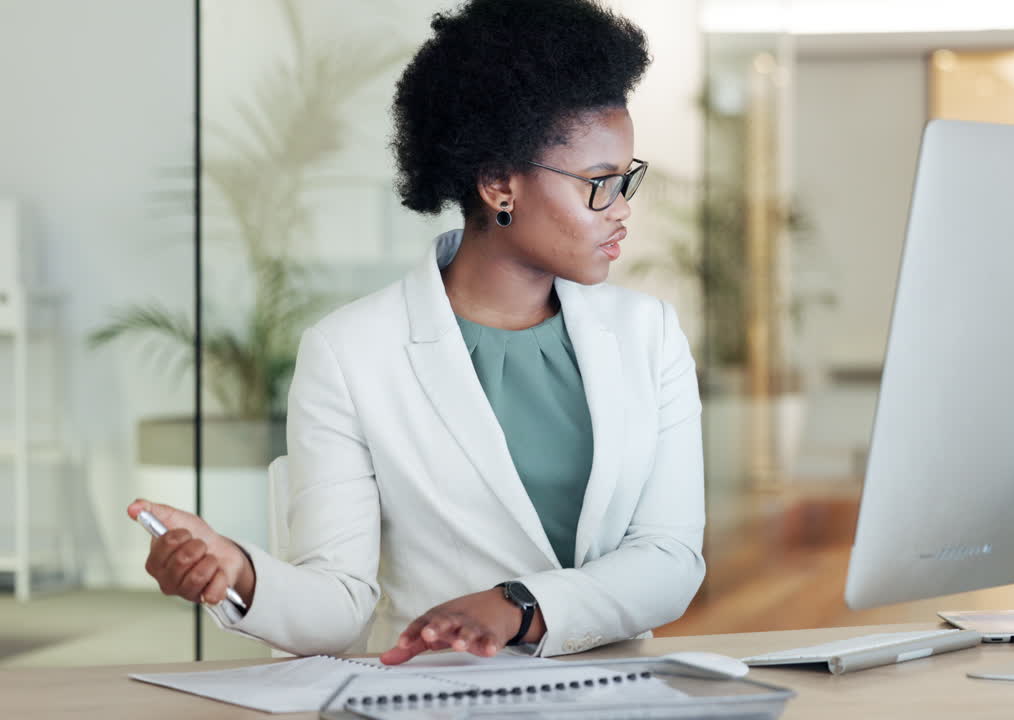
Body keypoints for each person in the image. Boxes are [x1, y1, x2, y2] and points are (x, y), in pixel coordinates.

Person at [126, 0, 705, 661]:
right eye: (599, 184)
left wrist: (522, 606)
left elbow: (670, 557)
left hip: (616, 694)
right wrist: (240, 573)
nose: (623, 209)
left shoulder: (648, 334)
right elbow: (338, 605)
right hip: (441, 695)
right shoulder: (350, 354)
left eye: (626, 179)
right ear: (498, 184)